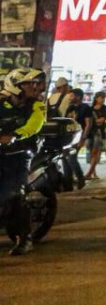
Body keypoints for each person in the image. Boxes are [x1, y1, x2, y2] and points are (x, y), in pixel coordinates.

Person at [0, 68, 47, 255]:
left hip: (20, 153)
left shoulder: (37, 105)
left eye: (34, 84)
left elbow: (36, 123)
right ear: (15, 85)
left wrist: (16, 135)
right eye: (29, 84)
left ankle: (24, 238)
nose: (33, 87)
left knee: (14, 194)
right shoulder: (2, 102)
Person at [67, 87, 92, 190]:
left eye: (72, 95)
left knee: (71, 158)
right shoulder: (70, 108)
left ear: (78, 97)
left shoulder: (85, 108)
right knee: (66, 159)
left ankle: (80, 178)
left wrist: (83, 138)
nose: (70, 97)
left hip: (78, 137)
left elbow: (88, 124)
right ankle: (68, 182)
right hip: (68, 137)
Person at [83, 91, 106, 180]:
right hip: (90, 132)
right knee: (91, 153)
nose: (102, 100)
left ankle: (89, 173)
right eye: (101, 98)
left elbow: (101, 120)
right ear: (96, 98)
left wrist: (91, 122)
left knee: (95, 152)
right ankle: (93, 173)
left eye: (103, 98)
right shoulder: (90, 109)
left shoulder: (105, 108)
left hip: (98, 132)